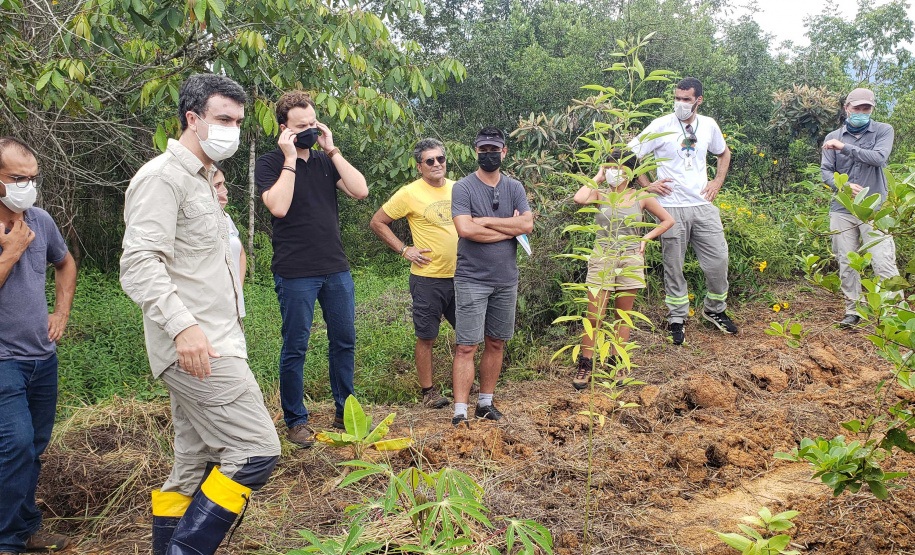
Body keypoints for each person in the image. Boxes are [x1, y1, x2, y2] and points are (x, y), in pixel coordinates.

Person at [119, 74, 281, 555]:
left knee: (192, 463)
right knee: (256, 450)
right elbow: (139, 263)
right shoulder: (162, 178)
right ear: (193, 119)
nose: (232, 128)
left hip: (217, 337)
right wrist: (183, 327)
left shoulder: (207, 181)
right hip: (197, 344)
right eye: (223, 119)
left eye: (237, 121)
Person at [254, 91, 368, 447]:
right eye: (301, 126)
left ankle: (344, 411)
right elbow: (278, 207)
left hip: (335, 267)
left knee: (344, 341)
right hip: (295, 271)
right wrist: (290, 158)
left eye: (313, 125)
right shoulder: (271, 163)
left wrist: (331, 148)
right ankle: (296, 420)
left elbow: (360, 191)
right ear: (284, 128)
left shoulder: (323, 161)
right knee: (296, 346)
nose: (309, 131)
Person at [0, 138, 77, 555]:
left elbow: (65, 262)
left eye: (32, 178)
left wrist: (61, 312)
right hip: (3, 359)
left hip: (41, 357)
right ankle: (7, 539)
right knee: (14, 444)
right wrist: (10, 253)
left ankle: (25, 526)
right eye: (17, 178)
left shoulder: (40, 219)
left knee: (32, 448)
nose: (27, 187)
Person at [628, 77, 735, 345]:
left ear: (698, 100)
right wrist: (648, 184)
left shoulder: (709, 125)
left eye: (686, 99)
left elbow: (724, 154)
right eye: (677, 98)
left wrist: (717, 181)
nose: (680, 104)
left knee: (718, 259)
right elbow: (630, 155)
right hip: (670, 206)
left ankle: (715, 310)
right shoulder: (661, 125)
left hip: (702, 204)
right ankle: (677, 317)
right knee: (673, 265)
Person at [450, 127, 534, 427]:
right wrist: (507, 227)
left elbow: (527, 225)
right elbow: (465, 230)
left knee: (496, 342)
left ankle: (485, 402)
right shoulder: (463, 188)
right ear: (476, 151)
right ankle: (460, 410)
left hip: (506, 279)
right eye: (483, 150)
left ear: (504, 151)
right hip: (472, 278)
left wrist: (485, 220)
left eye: (494, 149)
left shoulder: (515, 187)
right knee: (466, 346)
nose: (489, 154)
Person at [571, 149, 674, 389]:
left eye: (615, 167)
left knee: (622, 317)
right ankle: (586, 364)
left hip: (629, 259)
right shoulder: (599, 194)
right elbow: (579, 198)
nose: (611, 172)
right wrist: (597, 176)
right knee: (594, 316)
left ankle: (618, 363)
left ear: (629, 170)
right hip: (602, 257)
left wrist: (646, 238)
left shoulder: (641, 196)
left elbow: (668, 220)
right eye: (608, 167)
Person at [369, 138, 457, 409]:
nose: (436, 164)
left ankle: (463, 382)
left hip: (462, 275)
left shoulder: (459, 188)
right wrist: (403, 248)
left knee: (468, 334)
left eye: (440, 159)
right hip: (428, 277)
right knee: (427, 336)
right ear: (420, 166)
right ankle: (428, 392)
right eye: (429, 161)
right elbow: (378, 221)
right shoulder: (409, 193)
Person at [821, 87, 898, 327]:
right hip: (842, 208)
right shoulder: (832, 136)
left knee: (883, 260)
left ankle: (894, 313)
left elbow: (878, 158)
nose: (862, 113)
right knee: (846, 261)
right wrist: (841, 186)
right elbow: (826, 171)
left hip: (875, 208)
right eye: (857, 108)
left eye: (867, 109)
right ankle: (853, 310)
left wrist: (844, 147)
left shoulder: (883, 131)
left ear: (872, 109)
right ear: (847, 108)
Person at [213, 164, 246, 318]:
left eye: (223, 184)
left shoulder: (226, 218)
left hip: (232, 303)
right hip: (210, 306)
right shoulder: (199, 222)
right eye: (218, 185)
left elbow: (241, 254)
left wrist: (237, 288)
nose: (224, 190)